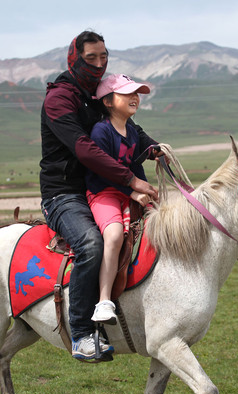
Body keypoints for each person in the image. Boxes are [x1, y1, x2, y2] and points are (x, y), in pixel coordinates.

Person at [39, 31, 159, 361]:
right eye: (91, 58)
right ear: (73, 58)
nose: (99, 64)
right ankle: (80, 334)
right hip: (64, 194)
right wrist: (132, 180)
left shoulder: (98, 96)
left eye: (104, 57)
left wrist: (154, 149)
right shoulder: (59, 99)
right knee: (92, 244)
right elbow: (85, 149)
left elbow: (127, 129)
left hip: (104, 187)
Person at [86, 74, 155, 326]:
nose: (134, 97)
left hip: (126, 192)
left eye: (136, 93)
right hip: (103, 193)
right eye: (126, 94)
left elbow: (135, 168)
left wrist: (148, 191)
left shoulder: (132, 132)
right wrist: (133, 192)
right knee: (114, 236)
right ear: (107, 101)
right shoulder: (101, 131)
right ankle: (104, 301)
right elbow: (103, 171)